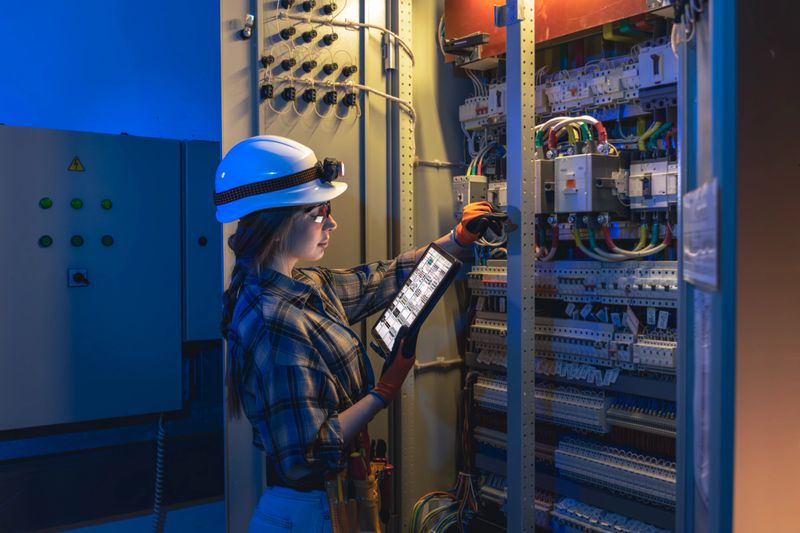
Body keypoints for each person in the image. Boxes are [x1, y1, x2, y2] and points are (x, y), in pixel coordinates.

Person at [215, 135, 505, 532]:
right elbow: (308, 455)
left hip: (327, 504)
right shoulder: (274, 321)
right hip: (310, 513)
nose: (331, 222)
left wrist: (457, 239)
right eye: (320, 212)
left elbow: (378, 281)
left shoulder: (302, 285)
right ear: (279, 227)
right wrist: (384, 390)